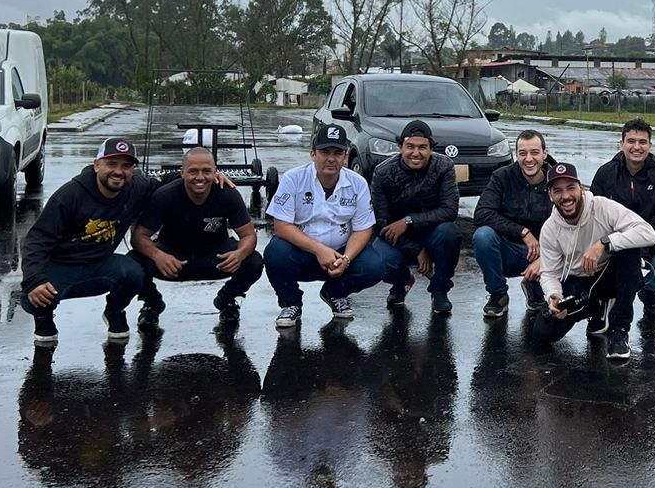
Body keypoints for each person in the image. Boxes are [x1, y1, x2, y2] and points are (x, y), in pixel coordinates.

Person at [21, 137, 164, 347]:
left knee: (134, 272)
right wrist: (34, 280)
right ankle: (44, 320)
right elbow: (37, 240)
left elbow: (170, 180)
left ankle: (114, 311)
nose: (118, 171)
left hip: (100, 264)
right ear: (97, 165)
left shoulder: (137, 187)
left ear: (132, 170)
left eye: (126, 166)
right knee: (32, 296)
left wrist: (212, 176)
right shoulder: (69, 195)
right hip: (61, 265)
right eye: (111, 164)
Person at [128, 146, 264, 332]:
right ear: (182, 173)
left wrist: (239, 254)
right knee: (132, 262)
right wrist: (157, 254)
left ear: (216, 172)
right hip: (173, 259)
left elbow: (248, 235)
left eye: (207, 171)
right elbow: (139, 236)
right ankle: (152, 304)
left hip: (215, 257)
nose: (200, 177)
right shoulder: (164, 196)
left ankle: (227, 300)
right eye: (193, 171)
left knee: (254, 260)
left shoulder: (227, 193)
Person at [264, 122, 386, 327]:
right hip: (303, 253)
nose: (331, 158)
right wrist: (319, 250)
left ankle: (334, 293)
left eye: (338, 153)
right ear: (313, 154)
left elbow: (363, 228)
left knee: (375, 266)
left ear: (345, 157)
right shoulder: (293, 178)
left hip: (340, 256)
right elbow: (281, 225)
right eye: (324, 152)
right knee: (275, 252)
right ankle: (290, 304)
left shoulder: (358, 183)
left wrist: (346, 259)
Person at [534, 161, 655, 361]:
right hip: (579, 282)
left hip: (609, 275)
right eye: (558, 191)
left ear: (581, 188)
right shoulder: (549, 228)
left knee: (629, 250)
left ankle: (619, 331)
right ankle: (597, 308)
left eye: (571, 188)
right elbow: (549, 273)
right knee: (542, 334)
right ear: (550, 196)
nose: (565, 196)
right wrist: (553, 295)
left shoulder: (602, 206)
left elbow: (647, 233)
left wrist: (605, 243)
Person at [590, 118, 655, 324]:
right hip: (612, 244)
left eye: (642, 142)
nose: (636, 147)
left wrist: (641, 250)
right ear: (621, 144)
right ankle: (602, 300)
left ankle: (649, 291)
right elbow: (594, 214)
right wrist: (611, 244)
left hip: (647, 245)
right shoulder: (605, 173)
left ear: (650, 145)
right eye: (631, 141)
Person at [367, 120, 462, 314]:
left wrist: (409, 221)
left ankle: (439, 291)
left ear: (431, 148)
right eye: (410, 146)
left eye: (422, 147)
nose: (416, 153)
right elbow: (381, 221)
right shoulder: (383, 172)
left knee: (450, 233)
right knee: (378, 259)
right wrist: (417, 250)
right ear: (400, 147)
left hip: (431, 231)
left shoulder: (444, 166)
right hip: (395, 236)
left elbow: (450, 209)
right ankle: (401, 282)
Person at [471, 129, 553, 318]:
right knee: (483, 236)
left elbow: (573, 223)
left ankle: (535, 290)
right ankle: (498, 294)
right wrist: (522, 231)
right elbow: (482, 213)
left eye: (534, 152)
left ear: (544, 154)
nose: (529, 159)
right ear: (517, 155)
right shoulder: (502, 176)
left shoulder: (556, 180)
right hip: (508, 251)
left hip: (547, 255)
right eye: (522, 153)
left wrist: (545, 258)